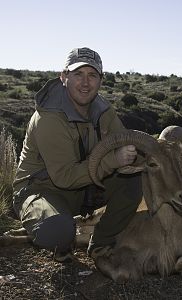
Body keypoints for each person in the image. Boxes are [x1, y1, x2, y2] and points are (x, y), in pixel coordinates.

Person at [12, 47, 142, 263]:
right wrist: (114, 160)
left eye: (92, 75)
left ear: (101, 80)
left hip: (84, 187)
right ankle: (52, 228)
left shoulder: (103, 111)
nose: (85, 82)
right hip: (42, 190)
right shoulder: (49, 118)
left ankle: (101, 244)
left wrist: (148, 152)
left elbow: (125, 141)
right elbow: (64, 177)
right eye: (78, 74)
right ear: (64, 77)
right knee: (58, 231)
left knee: (133, 181)